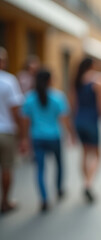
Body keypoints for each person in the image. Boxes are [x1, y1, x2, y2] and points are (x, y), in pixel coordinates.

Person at [21, 69, 75, 212]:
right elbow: (64, 119)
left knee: (40, 169)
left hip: (37, 137)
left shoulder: (29, 98)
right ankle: (58, 189)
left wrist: (24, 139)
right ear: (50, 80)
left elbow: (25, 122)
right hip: (54, 137)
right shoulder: (58, 97)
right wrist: (71, 135)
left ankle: (44, 198)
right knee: (59, 164)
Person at [71, 57, 101, 203]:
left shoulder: (77, 81)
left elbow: (73, 104)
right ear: (92, 66)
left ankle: (85, 181)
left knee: (85, 153)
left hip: (79, 119)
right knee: (98, 154)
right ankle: (88, 183)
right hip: (92, 120)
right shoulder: (97, 81)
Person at [0, 47, 23, 214]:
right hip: (6, 130)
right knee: (7, 167)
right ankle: (5, 202)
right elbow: (16, 109)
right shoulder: (8, 81)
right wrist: (22, 133)